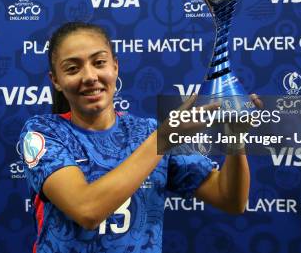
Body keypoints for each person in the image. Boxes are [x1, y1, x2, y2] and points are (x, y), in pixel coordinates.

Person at [19, 22, 257, 252]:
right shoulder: (42, 133)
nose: (90, 76)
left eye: (99, 62)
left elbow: (230, 200)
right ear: (56, 81)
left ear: (115, 67)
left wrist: (235, 140)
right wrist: (164, 138)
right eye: (73, 68)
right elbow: (87, 210)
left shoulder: (147, 132)